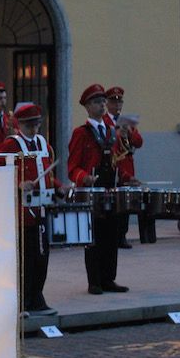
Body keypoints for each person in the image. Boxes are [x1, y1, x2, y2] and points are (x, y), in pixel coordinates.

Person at [0, 104, 64, 316]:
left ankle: (37, 298)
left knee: (42, 257)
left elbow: (47, 175)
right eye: (29, 125)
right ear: (20, 125)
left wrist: (59, 187)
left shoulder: (43, 144)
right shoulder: (11, 145)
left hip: (42, 209)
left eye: (36, 124)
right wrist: (18, 183)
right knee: (25, 259)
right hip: (22, 212)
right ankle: (21, 302)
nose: (34, 129)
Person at [68, 84, 129, 295]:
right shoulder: (81, 133)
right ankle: (94, 281)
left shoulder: (112, 131)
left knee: (111, 235)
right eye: (96, 102)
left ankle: (109, 278)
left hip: (110, 190)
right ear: (87, 107)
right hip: (91, 191)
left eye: (103, 101)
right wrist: (83, 177)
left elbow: (117, 161)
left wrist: (126, 178)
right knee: (94, 238)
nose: (102, 105)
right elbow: (72, 167)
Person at [102, 86, 147, 247]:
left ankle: (122, 235)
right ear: (107, 103)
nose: (117, 105)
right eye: (113, 102)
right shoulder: (103, 121)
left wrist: (130, 133)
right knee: (112, 202)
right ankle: (111, 235)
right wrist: (116, 134)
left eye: (119, 102)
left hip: (126, 165)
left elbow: (139, 142)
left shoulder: (127, 121)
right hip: (111, 165)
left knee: (125, 202)